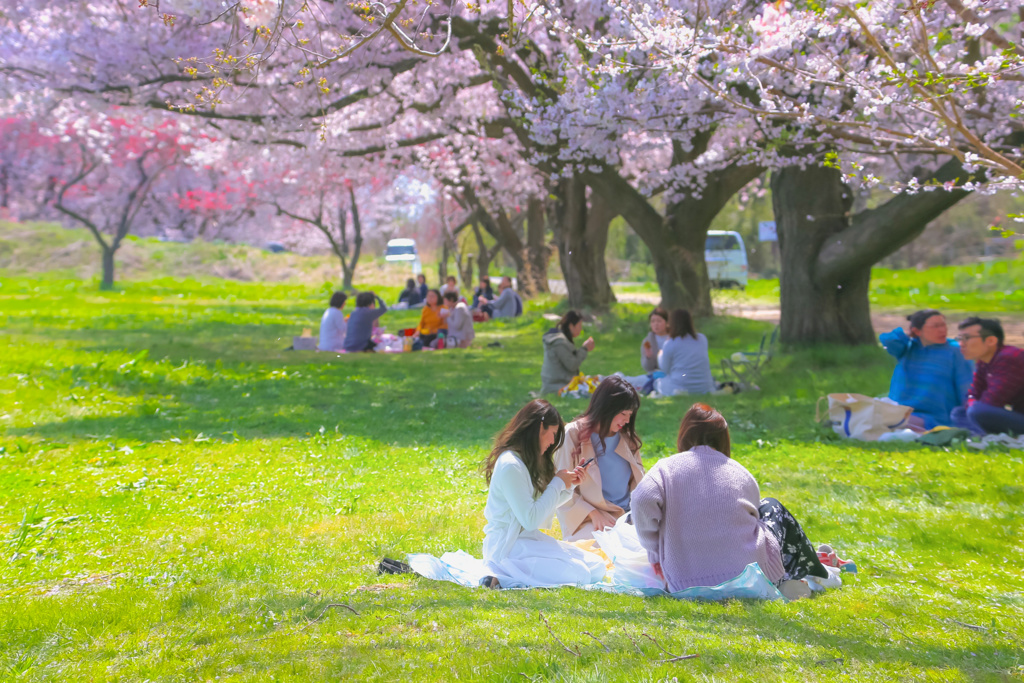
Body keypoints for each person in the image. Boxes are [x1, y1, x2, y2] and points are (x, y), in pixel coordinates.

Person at [631, 403, 831, 599]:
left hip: (685, 582)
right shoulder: (739, 472)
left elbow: (642, 499)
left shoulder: (666, 469)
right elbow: (755, 514)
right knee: (771, 506)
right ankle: (811, 573)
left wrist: (654, 550)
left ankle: (800, 575)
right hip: (748, 576)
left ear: (684, 434)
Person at [479, 399, 606, 589]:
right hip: (507, 547)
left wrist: (569, 486)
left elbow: (542, 506)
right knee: (581, 574)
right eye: (553, 434)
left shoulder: (526, 461)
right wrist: (557, 483)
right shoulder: (510, 465)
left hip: (527, 540)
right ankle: (500, 575)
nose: (553, 442)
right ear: (540, 428)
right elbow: (530, 519)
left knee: (597, 567)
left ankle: (505, 576)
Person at [553, 376, 645, 542]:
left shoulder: (627, 437)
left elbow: (640, 482)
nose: (627, 420)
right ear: (607, 408)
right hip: (589, 517)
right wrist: (593, 513)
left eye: (630, 415)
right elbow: (559, 487)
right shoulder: (572, 435)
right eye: (623, 414)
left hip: (629, 514)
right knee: (603, 547)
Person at [879, 309, 973, 429]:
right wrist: (908, 336)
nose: (942, 330)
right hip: (901, 409)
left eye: (943, 325)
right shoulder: (907, 348)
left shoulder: (955, 351)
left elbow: (966, 389)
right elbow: (889, 340)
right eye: (935, 326)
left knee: (887, 422)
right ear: (917, 331)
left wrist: (966, 421)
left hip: (934, 417)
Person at [951, 317, 1024, 435]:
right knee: (959, 412)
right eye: (960, 338)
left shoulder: (1009, 358)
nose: (961, 344)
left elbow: (993, 400)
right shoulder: (983, 362)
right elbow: (973, 393)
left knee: (977, 411)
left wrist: (973, 406)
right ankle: (982, 435)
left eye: (966, 338)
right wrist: (972, 404)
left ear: (990, 341)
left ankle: (981, 435)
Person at [654, 309, 714, 396]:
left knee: (658, 382)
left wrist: (660, 354)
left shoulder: (670, 343)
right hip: (704, 386)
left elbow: (665, 369)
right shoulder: (702, 339)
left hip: (680, 384)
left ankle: (680, 391)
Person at [541, 310, 595, 394]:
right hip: (556, 386)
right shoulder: (559, 342)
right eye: (579, 325)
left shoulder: (561, 340)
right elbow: (572, 365)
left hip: (558, 383)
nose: (581, 329)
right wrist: (584, 349)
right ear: (571, 326)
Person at [641, 307, 671, 374]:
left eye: (659, 321)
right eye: (653, 321)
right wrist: (648, 357)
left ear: (667, 323)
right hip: (655, 375)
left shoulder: (673, 338)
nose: (656, 324)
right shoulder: (647, 341)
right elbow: (648, 368)